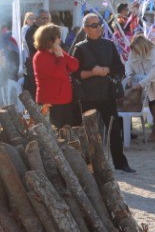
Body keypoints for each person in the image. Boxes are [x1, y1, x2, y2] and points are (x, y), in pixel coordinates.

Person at [72, 12, 133, 173]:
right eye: (93, 25)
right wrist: (93, 72)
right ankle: (89, 165)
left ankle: (120, 163)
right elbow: (74, 73)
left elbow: (119, 68)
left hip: (107, 94)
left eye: (99, 24)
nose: (98, 27)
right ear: (85, 29)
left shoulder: (109, 45)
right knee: (87, 133)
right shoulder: (80, 48)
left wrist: (108, 70)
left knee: (114, 130)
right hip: (87, 96)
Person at [31, 22, 80, 128]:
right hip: (50, 102)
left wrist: (61, 54)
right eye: (58, 37)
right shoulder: (40, 56)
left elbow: (75, 65)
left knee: (67, 134)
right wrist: (60, 57)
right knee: (53, 136)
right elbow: (59, 73)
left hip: (65, 100)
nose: (60, 40)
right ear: (50, 39)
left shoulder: (58, 51)